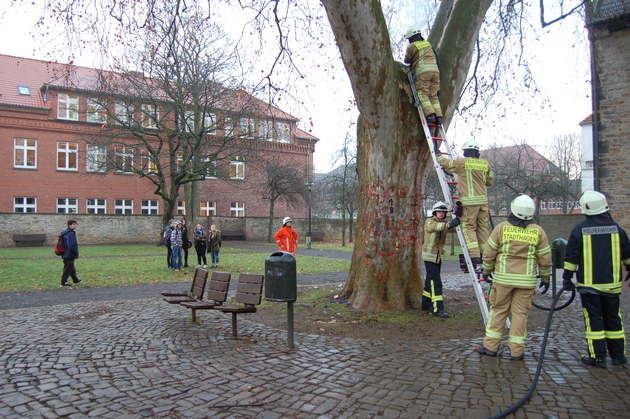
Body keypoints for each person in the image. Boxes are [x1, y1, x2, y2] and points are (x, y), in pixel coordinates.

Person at [476, 195, 551, 361]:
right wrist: (546, 279)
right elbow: (545, 258)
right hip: (526, 282)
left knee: (498, 311)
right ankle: (517, 351)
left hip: (503, 280)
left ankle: (490, 347)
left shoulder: (502, 228)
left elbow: (489, 253)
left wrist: (486, 272)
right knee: (520, 315)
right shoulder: (538, 231)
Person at [563, 191, 630, 368]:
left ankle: (598, 357)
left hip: (590, 286)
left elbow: (571, 258)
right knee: (614, 318)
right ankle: (618, 357)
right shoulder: (618, 230)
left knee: (594, 320)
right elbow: (628, 255)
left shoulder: (580, 230)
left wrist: (567, 278)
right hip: (612, 286)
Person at [437, 139, 494, 272]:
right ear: (477, 152)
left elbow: (446, 163)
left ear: (465, 152)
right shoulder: (485, 164)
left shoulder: (463, 163)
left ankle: (474, 257)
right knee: (482, 228)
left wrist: (438, 155)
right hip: (483, 203)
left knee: (469, 227)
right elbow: (490, 181)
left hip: (469, 202)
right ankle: (484, 255)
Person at [421, 202, 461, 319]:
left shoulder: (444, 223)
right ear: (434, 213)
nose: (441, 214)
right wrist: (450, 225)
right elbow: (436, 227)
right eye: (439, 212)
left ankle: (426, 303)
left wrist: (459, 220)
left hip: (437, 257)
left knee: (430, 280)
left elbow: (452, 229)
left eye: (443, 212)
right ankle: (437, 308)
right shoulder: (430, 221)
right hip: (429, 256)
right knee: (436, 282)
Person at [404, 26, 442, 125]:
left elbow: (407, 60)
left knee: (422, 93)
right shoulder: (428, 44)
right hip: (436, 72)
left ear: (411, 38)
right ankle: (439, 117)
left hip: (423, 72)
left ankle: (430, 115)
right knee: (433, 95)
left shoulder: (411, 46)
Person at [60, 219, 82, 287]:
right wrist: (75, 252)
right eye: (73, 224)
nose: (75, 226)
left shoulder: (65, 233)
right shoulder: (70, 233)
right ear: (70, 225)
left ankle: (76, 280)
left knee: (71, 267)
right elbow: (71, 244)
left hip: (65, 253)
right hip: (69, 254)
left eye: (75, 224)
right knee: (68, 268)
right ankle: (63, 282)